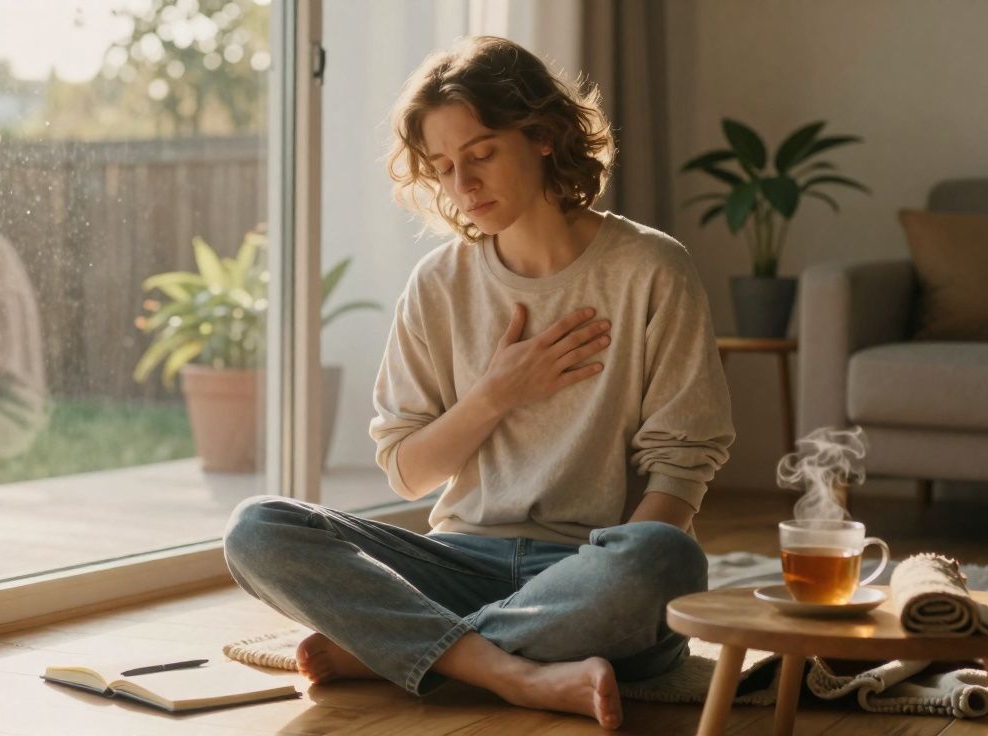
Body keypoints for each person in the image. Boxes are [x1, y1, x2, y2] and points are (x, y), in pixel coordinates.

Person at [223, 35, 735, 730]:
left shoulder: (651, 269)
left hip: (594, 570)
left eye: (482, 154)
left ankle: (398, 648)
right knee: (257, 529)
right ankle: (509, 671)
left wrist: (602, 577)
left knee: (664, 558)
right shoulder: (439, 284)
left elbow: (682, 466)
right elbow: (406, 471)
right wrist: (497, 393)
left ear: (544, 136)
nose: (462, 187)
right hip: (458, 559)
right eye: (443, 167)